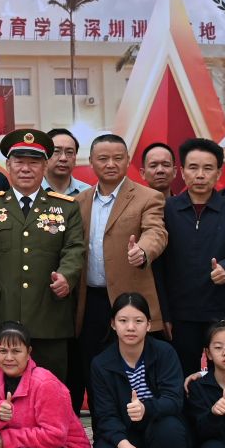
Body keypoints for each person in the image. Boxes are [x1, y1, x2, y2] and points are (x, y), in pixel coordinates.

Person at [0, 130, 86, 383]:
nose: (26, 168)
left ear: (45, 166)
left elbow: (75, 249)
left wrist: (67, 276)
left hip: (48, 315)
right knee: (2, 390)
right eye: (19, 161)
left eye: (34, 162)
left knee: (49, 388)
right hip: (0, 316)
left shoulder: (66, 207)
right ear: (8, 165)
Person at [73, 132, 168, 413]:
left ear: (128, 161)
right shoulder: (79, 201)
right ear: (91, 162)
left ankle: (138, 431)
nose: (110, 164)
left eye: (118, 158)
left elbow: (156, 232)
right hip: (90, 302)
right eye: (103, 158)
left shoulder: (148, 197)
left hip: (130, 302)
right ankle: (103, 432)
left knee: (135, 375)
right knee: (94, 372)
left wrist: (143, 251)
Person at [88, 293, 190, 448]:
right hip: (127, 433)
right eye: (123, 320)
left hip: (159, 430)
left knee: (171, 428)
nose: (131, 327)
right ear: (113, 324)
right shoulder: (101, 364)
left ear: (149, 325)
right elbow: (105, 415)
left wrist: (146, 408)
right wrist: (122, 443)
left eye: (138, 321)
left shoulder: (164, 353)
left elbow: (174, 400)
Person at [158, 138, 225, 373]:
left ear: (219, 173)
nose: (200, 175)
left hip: (223, 311)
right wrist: (164, 314)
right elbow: (159, 266)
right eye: (193, 168)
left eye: (208, 168)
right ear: (182, 172)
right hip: (181, 313)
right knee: (182, 377)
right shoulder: (166, 210)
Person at [43, 128, 90, 196]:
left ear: (75, 158)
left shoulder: (87, 193)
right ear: (45, 156)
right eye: (56, 151)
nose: (63, 158)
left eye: (69, 152)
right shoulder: (32, 190)